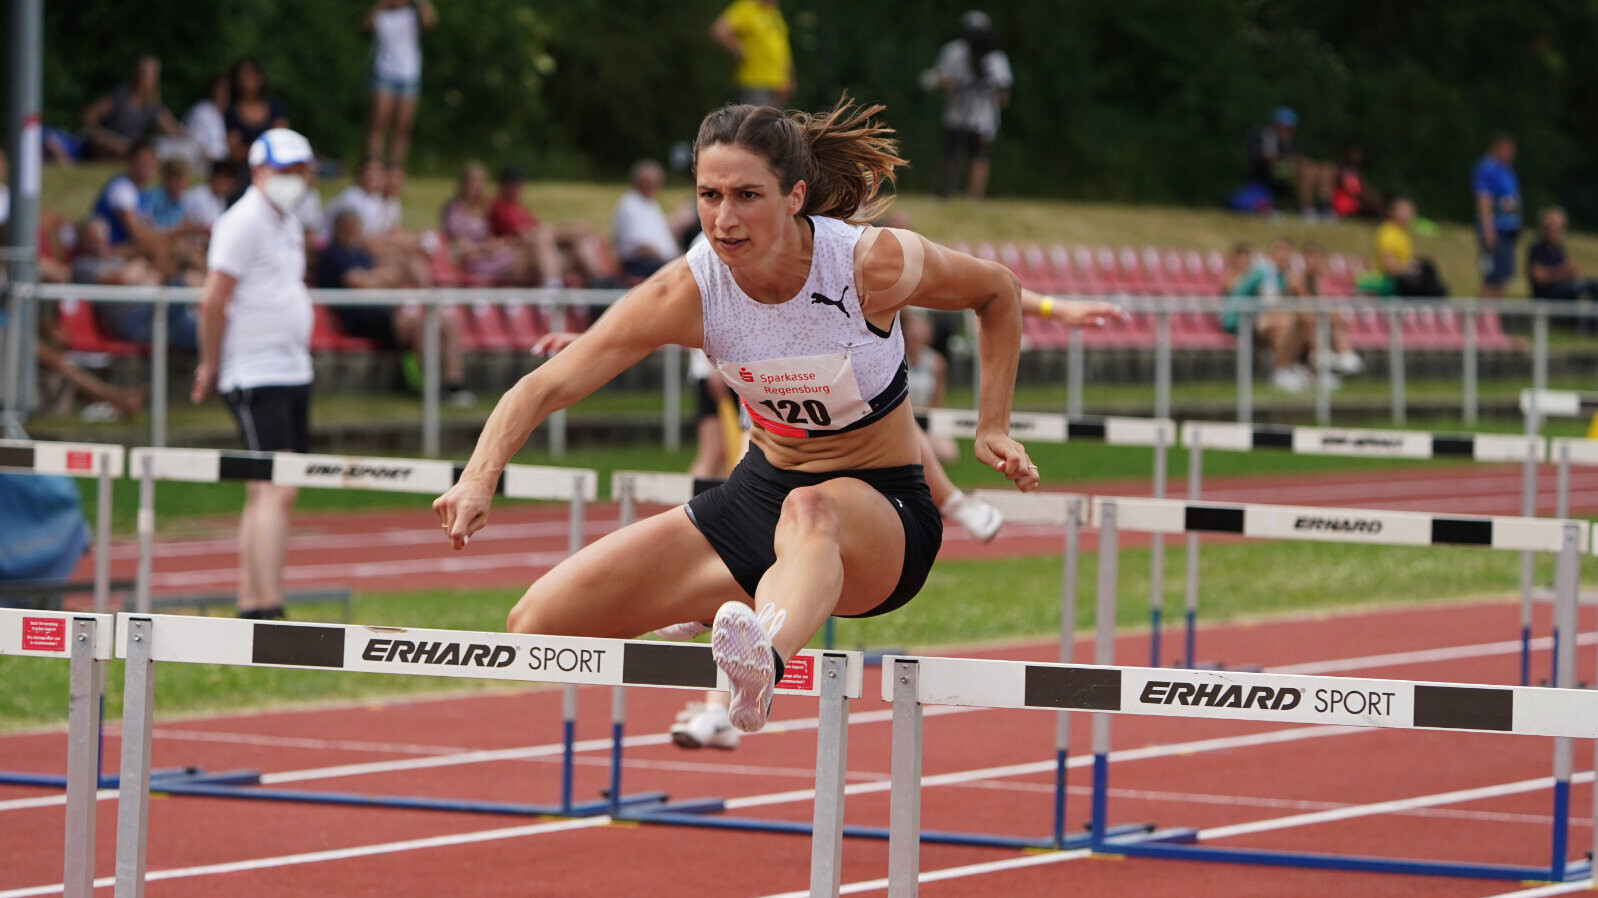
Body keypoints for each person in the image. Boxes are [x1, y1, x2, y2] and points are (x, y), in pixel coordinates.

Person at [433, 98, 1119, 736]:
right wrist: (476, 478)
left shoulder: (865, 265)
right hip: (758, 499)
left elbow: (996, 290)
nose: (725, 220)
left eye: (746, 196)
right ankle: (722, 612)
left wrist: (992, 424)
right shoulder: (688, 291)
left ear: (794, 196)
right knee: (532, 630)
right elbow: (542, 387)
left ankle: (758, 673)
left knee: (812, 512)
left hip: (880, 517)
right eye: (709, 196)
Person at [191, 129, 318, 620]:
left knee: (268, 487)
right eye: (286, 171)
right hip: (255, 370)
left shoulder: (286, 221)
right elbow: (213, 300)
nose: (297, 181)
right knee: (275, 487)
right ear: (260, 171)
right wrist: (211, 363)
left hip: (290, 368)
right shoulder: (242, 221)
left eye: (301, 171)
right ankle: (266, 609)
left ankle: (253, 599)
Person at [317, 208, 473, 406]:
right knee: (420, 325)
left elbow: (389, 277)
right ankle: (433, 388)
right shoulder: (333, 254)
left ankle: (454, 384)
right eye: (352, 228)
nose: (356, 232)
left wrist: (376, 279)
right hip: (360, 318)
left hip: (384, 312)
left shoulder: (360, 252)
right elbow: (358, 282)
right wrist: (379, 279)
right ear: (341, 228)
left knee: (449, 321)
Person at [924, 10, 1013, 198]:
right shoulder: (954, 52)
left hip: (982, 117)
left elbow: (1003, 95)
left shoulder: (995, 59)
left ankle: (974, 195)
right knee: (952, 152)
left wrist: (989, 89)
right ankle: (947, 190)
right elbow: (939, 79)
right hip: (957, 113)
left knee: (978, 156)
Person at [488, 165, 610, 287]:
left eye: (519, 183)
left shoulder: (520, 209)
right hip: (518, 258)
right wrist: (566, 231)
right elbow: (524, 235)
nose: (518, 188)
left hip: (538, 256)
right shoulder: (499, 207)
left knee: (578, 244)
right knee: (544, 237)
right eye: (513, 184)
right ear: (503, 185)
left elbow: (538, 228)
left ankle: (600, 282)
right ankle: (552, 286)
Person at [364, 0, 438, 166]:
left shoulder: (413, 14)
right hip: (384, 72)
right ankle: (372, 163)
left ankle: (395, 165)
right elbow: (366, 27)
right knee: (378, 123)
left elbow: (431, 22)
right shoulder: (382, 14)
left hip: (409, 75)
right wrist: (380, 5)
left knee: (403, 126)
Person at [443, 161, 535, 285]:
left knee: (530, 248)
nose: (479, 185)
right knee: (527, 256)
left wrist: (499, 243)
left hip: (491, 255)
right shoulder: (455, 210)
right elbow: (460, 247)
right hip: (475, 261)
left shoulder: (484, 208)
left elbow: (492, 235)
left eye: (482, 181)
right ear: (464, 183)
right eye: (474, 181)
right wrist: (486, 248)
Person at [79, 55, 184, 161]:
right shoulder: (120, 96)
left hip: (133, 147)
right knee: (100, 138)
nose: (147, 79)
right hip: (110, 142)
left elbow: (172, 129)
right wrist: (102, 133)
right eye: (144, 74)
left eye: (151, 75)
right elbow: (89, 115)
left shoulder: (152, 105)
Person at [1247, 107, 1334, 219]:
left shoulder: (1287, 141)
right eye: (1285, 126)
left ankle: (1325, 207)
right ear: (1276, 124)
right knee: (1304, 170)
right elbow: (1264, 157)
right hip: (1272, 172)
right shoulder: (1264, 135)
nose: (1288, 130)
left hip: (1289, 167)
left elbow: (1292, 156)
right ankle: (1306, 208)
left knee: (1327, 168)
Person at [710, 0, 793, 106]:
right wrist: (739, 49)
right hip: (754, 83)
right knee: (757, 121)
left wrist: (787, 78)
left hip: (777, 86)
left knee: (774, 121)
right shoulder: (747, 7)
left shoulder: (774, 13)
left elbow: (782, 49)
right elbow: (720, 29)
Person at [612, 159, 683, 280]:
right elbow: (641, 246)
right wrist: (671, 260)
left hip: (657, 262)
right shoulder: (630, 205)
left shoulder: (651, 204)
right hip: (640, 264)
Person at [224, 59, 290, 182]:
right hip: (243, 171)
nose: (246, 83)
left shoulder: (274, 106)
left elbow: (282, 140)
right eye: (242, 79)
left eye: (250, 77)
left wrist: (252, 150)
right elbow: (234, 152)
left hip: (274, 168)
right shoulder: (231, 111)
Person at [1474, 132, 1522, 299]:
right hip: (1495, 230)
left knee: (1502, 277)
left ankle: (1493, 318)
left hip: (1507, 231)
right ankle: (1484, 320)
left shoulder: (1506, 169)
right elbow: (1484, 199)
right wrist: (1488, 229)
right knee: (1491, 277)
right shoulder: (1487, 168)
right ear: (1498, 148)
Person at [1374, 196, 1446, 298]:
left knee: (1428, 268)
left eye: (1409, 211)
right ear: (1393, 212)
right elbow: (1389, 266)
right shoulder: (1388, 232)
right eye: (1403, 210)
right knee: (1425, 280)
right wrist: (1408, 268)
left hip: (1400, 276)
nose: (1407, 215)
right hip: (1389, 279)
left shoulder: (1402, 233)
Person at [1527, 206, 1598, 305]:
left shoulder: (1558, 248)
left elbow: (1565, 271)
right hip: (1546, 292)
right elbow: (1538, 276)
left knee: (1593, 286)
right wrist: (1561, 271)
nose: (1559, 231)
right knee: (1574, 290)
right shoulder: (1537, 247)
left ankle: (1592, 319)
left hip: (1561, 287)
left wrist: (1572, 272)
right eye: (1555, 227)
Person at [183, 74, 231, 167]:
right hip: (199, 167)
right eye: (220, 89)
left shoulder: (225, 114)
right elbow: (197, 145)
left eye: (226, 89)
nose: (222, 93)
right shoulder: (202, 110)